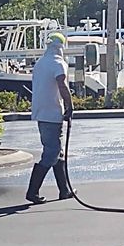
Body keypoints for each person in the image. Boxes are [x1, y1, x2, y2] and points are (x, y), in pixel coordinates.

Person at [25, 32, 75, 204]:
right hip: (52, 113)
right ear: (61, 47)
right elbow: (62, 84)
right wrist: (70, 105)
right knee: (51, 153)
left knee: (56, 152)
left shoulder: (40, 63)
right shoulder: (58, 63)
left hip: (41, 112)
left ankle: (64, 190)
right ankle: (32, 191)